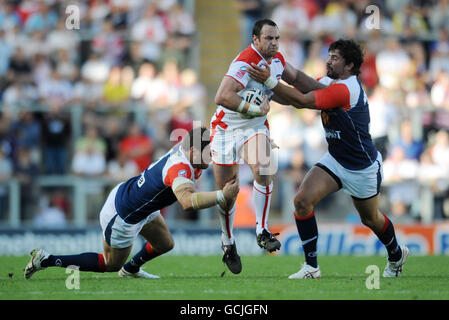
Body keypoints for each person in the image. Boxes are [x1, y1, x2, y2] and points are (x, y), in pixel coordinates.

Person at [247, 39, 409, 279]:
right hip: (335, 159)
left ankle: (396, 254)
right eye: (329, 55)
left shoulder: (348, 89)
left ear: (349, 65)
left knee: (370, 218)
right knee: (302, 201)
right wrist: (278, 67)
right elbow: (301, 82)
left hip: (361, 167)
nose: (328, 60)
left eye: (335, 58)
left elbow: (301, 101)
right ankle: (311, 267)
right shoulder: (331, 83)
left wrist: (269, 80)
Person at [24, 127, 239, 279]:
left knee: (165, 244)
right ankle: (46, 259)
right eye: (208, 151)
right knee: (110, 264)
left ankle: (131, 269)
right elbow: (188, 202)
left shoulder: (188, 153)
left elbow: (215, 134)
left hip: (138, 201)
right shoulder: (180, 168)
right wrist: (222, 195)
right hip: (123, 214)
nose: (212, 156)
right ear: (193, 151)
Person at [212, 18, 316, 274]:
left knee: (265, 168)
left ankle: (262, 229)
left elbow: (296, 79)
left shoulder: (277, 60)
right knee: (227, 194)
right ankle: (228, 242)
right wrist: (255, 108)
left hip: (254, 127)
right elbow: (222, 96)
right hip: (226, 129)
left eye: (277, 38)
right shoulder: (245, 61)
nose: (274, 43)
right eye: (269, 38)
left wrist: (323, 91)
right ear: (255, 39)